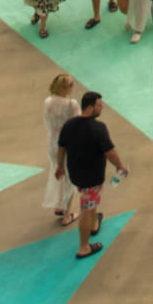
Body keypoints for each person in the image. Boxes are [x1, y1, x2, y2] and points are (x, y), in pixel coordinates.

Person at [55, 92, 128, 259]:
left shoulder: (69, 125)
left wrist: (60, 166)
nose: (101, 108)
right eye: (99, 105)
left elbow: (61, 148)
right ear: (90, 107)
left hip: (76, 173)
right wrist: (120, 166)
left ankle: (94, 223)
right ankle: (84, 247)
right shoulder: (98, 128)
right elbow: (110, 153)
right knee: (86, 209)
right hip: (92, 177)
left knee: (91, 201)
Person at [41, 75, 79, 225]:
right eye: (71, 85)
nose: (72, 87)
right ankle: (67, 214)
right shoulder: (72, 104)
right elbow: (77, 125)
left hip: (52, 142)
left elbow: (47, 122)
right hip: (68, 144)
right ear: (64, 87)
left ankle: (58, 205)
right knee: (71, 179)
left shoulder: (48, 102)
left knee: (56, 173)